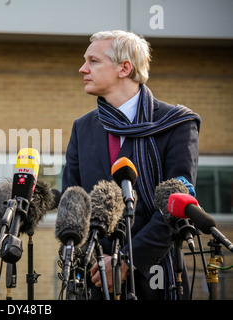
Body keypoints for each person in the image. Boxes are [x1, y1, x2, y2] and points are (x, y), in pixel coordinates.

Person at [62, 30, 201, 300]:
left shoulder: (177, 123)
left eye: (93, 61)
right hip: (95, 276)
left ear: (124, 68)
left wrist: (125, 260)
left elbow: (177, 202)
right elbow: (73, 199)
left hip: (158, 275)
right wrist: (94, 259)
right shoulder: (83, 128)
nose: (82, 68)